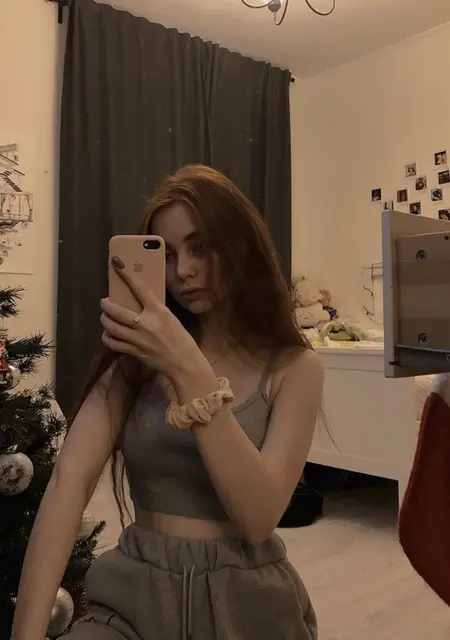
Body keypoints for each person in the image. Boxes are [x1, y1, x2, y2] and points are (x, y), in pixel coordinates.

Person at [12, 165, 324, 640]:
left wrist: (188, 370)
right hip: (134, 596)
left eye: (200, 247)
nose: (184, 272)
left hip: (246, 601)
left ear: (241, 244)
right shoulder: (132, 367)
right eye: (169, 255)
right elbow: (66, 487)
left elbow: (259, 517)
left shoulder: (295, 368)